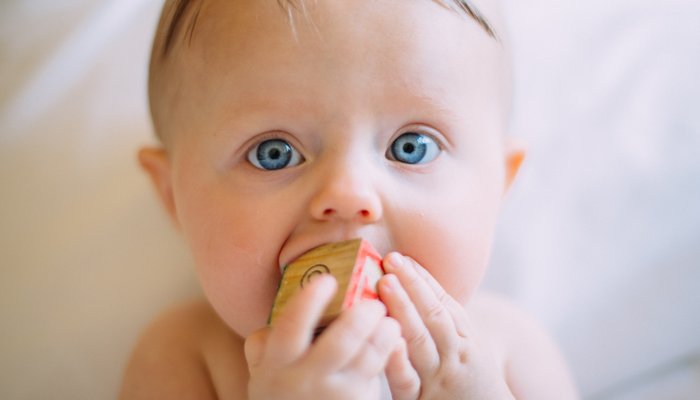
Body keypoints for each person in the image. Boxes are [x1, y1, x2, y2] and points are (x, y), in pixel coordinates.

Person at [120, 0, 578, 398]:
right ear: (173, 196)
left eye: (411, 146)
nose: (348, 194)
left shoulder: (510, 351)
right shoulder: (183, 356)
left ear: (499, 185)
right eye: (273, 154)